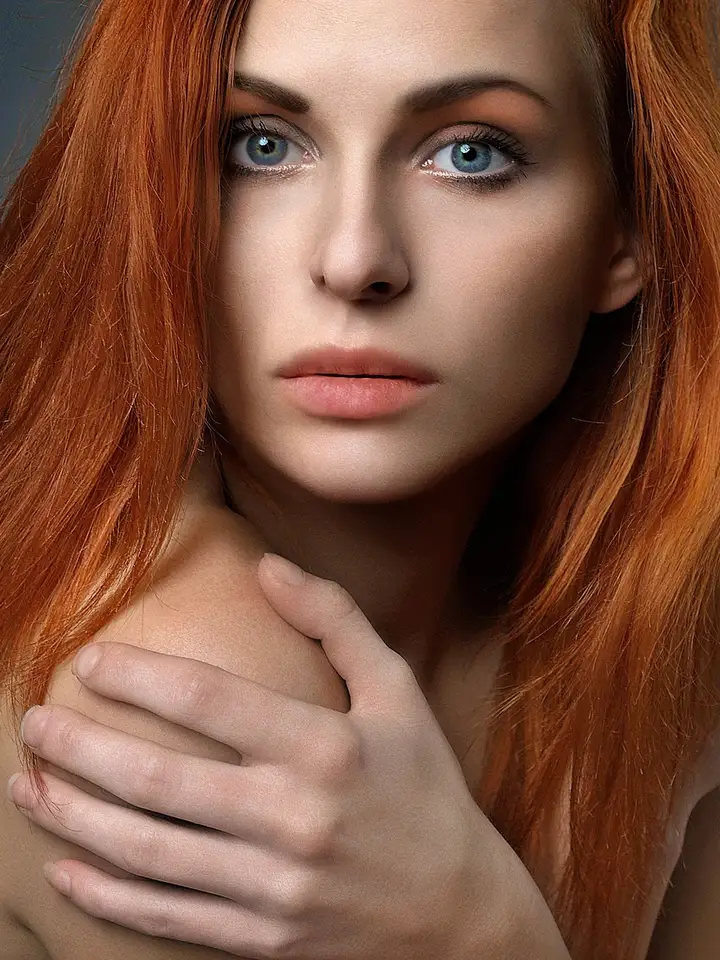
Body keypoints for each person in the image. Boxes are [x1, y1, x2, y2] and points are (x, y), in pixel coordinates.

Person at [0, 0, 718, 957]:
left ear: (628, 230)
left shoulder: (656, 616)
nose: (354, 260)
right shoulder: (181, 679)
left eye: (471, 153)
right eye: (260, 146)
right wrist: (481, 936)